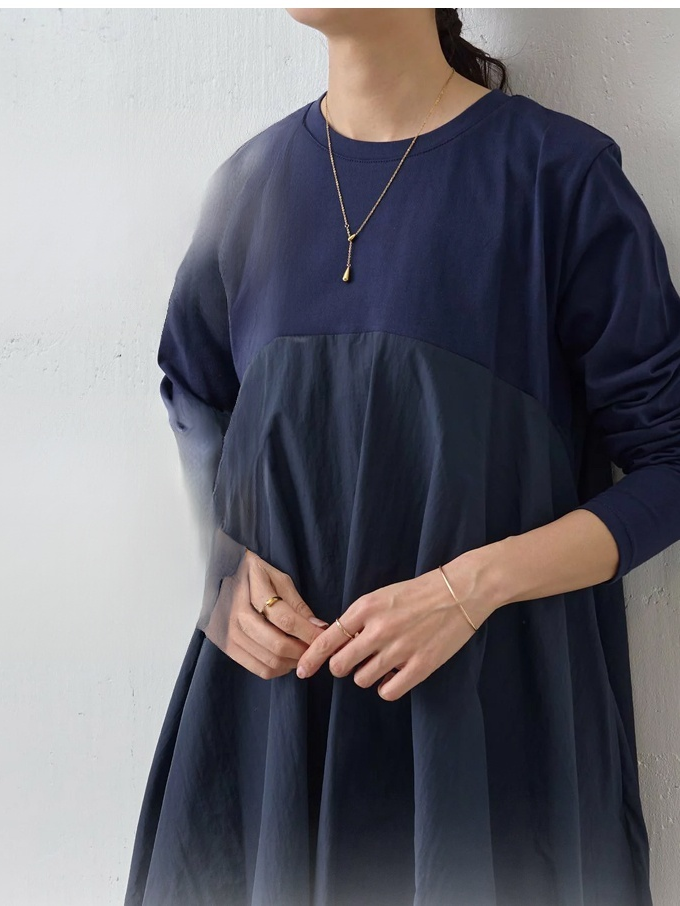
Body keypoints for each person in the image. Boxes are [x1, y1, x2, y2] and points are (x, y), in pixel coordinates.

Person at [124, 9, 680, 906]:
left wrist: (470, 588)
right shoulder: (248, 186)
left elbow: (669, 465)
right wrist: (218, 572)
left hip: (483, 748)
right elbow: (191, 400)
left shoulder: (557, 178)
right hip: (270, 738)